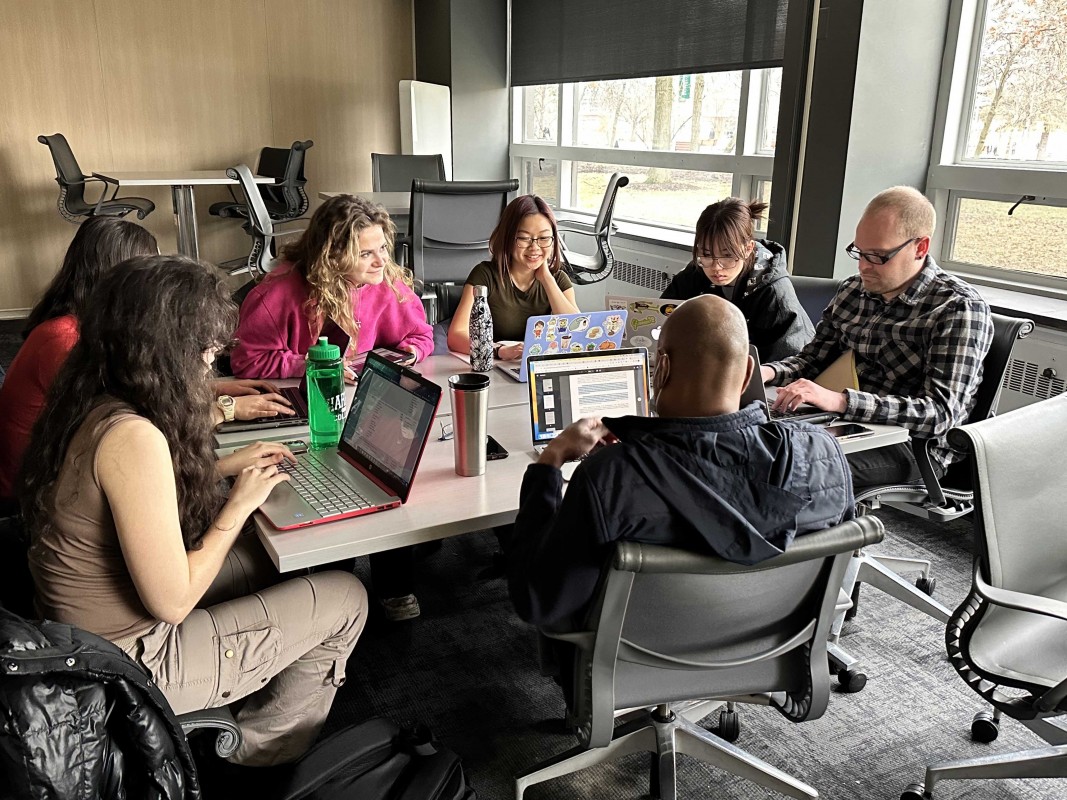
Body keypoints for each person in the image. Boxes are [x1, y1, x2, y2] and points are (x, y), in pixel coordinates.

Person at [20, 255, 367, 767]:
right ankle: (255, 753)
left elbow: (132, 498)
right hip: (131, 663)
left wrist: (223, 468)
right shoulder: (132, 437)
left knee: (281, 554)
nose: (209, 367)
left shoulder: (93, 394)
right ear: (162, 352)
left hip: (83, 634)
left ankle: (246, 678)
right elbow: (174, 601)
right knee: (348, 598)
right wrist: (237, 504)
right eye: (204, 352)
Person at [505, 295, 854, 644]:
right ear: (748, 372)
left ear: (662, 369)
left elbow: (537, 603)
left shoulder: (610, 477)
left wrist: (550, 461)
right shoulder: (822, 454)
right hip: (771, 652)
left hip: (630, 668)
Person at [0, 217, 293, 511]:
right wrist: (225, 410)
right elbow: (144, 424)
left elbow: (137, 391)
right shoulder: (64, 340)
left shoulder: (81, 327)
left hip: (64, 480)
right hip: (34, 495)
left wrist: (214, 387)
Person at [761, 186, 994, 488]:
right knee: (740, 440)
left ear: (920, 248)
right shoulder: (853, 290)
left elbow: (939, 414)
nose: (862, 266)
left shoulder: (958, 308)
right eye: (858, 252)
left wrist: (840, 401)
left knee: (785, 466)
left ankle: (821, 533)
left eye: (878, 256)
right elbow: (811, 360)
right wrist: (765, 372)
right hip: (843, 423)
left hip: (914, 447)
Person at [231, 193, 434, 379]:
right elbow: (246, 361)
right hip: (308, 397)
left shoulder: (388, 284)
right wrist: (312, 366)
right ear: (332, 256)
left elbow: (421, 335)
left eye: (382, 248)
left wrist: (412, 351)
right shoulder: (276, 295)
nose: (381, 261)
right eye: (365, 254)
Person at [661, 197, 813, 361]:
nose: (716, 267)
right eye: (706, 254)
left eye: (727, 256)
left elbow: (784, 364)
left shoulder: (774, 293)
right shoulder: (696, 272)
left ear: (748, 249)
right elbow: (661, 316)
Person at [447, 194, 578, 360]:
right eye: (524, 239)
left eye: (544, 238)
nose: (535, 247)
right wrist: (497, 350)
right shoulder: (485, 275)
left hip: (538, 369)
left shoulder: (558, 280)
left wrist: (546, 278)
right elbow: (456, 335)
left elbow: (576, 333)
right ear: (507, 238)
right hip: (494, 367)